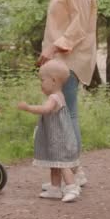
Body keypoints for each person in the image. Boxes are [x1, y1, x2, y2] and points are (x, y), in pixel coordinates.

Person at [37, 0, 97, 190]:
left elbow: (79, 26)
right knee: (64, 114)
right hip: (59, 58)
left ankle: (74, 170)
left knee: (66, 114)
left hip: (69, 60)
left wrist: (53, 48)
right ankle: (75, 169)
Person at [17, 59, 80, 202]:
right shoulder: (59, 95)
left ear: (53, 80)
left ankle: (72, 187)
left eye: (42, 80)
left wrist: (28, 107)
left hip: (60, 139)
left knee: (63, 165)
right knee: (55, 164)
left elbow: (45, 110)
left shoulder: (54, 98)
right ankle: (55, 188)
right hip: (56, 139)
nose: (41, 84)